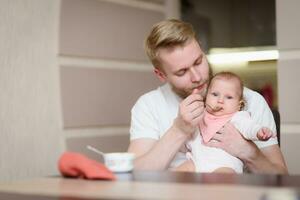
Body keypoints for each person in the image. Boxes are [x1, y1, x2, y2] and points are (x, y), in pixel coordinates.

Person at [127, 19, 287, 174]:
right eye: (182, 72)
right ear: (161, 75)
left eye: (198, 62)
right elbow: (135, 175)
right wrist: (179, 130)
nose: (196, 77)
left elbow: (281, 178)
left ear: (202, 50)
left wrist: (247, 151)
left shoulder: (251, 100)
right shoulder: (149, 105)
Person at [181, 71, 277, 173]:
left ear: (239, 105)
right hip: (196, 162)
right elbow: (188, 135)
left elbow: (249, 128)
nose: (220, 100)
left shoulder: (238, 117)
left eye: (229, 97)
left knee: (223, 180)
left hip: (225, 164)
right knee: (175, 175)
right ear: (206, 97)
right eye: (215, 94)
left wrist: (259, 132)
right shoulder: (200, 115)